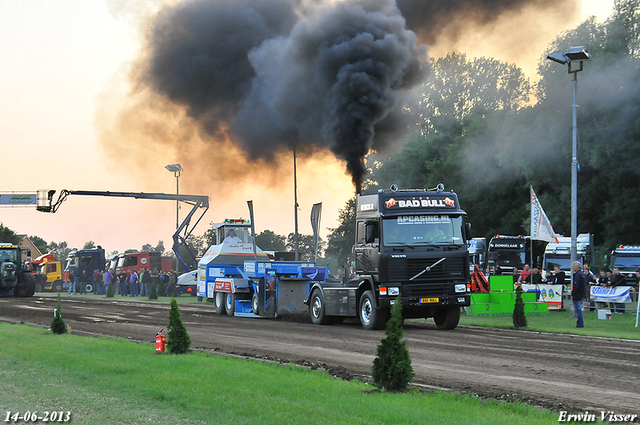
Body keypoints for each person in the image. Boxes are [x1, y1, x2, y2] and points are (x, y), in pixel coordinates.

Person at [571, 261, 587, 328]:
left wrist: (573, 293)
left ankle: (580, 323)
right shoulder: (582, 274)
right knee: (579, 309)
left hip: (577, 294)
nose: (572, 267)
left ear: (577, 267)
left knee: (578, 309)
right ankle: (579, 323)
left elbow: (576, 285)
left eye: (573, 266)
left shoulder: (577, 275)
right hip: (581, 294)